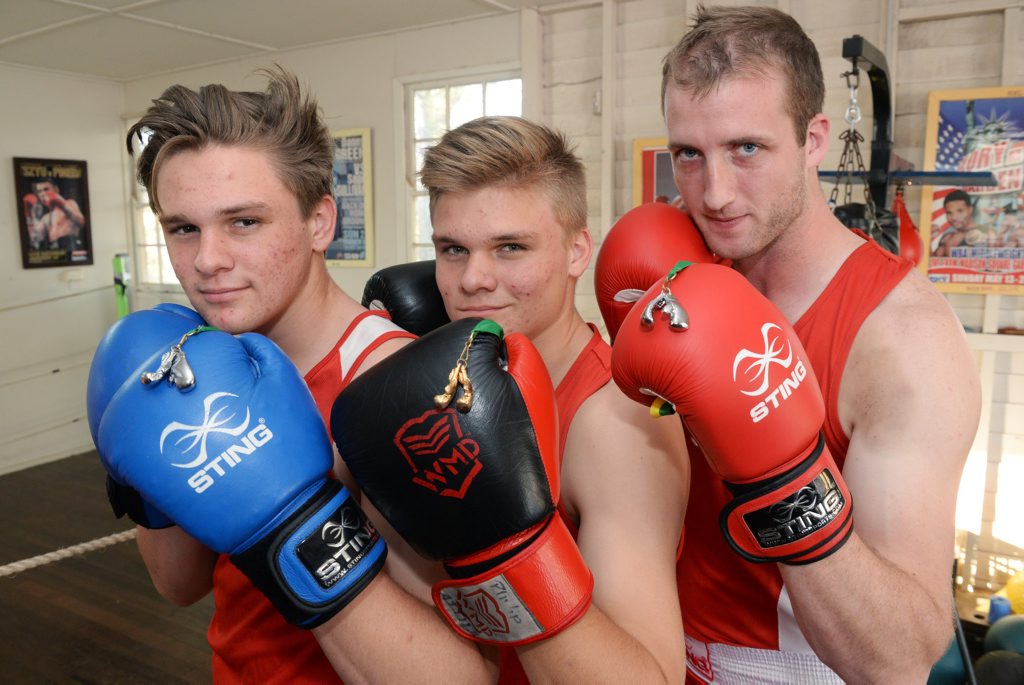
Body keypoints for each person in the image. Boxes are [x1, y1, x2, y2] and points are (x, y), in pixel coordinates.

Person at [603, 6, 980, 683]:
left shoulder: (902, 338)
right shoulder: (672, 276)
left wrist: (785, 476)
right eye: (689, 154)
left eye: (746, 147)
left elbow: (898, 658)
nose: (713, 194)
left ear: (813, 140)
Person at [114, 67, 504, 683]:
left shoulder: (391, 390)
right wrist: (142, 472)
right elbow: (178, 586)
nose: (208, 261)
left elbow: (460, 676)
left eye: (244, 221)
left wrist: (296, 527)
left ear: (320, 222)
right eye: (182, 228)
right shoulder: (195, 364)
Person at [413, 115, 690, 682]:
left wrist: (506, 554)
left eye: (510, 247)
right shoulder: (459, 376)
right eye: (453, 249)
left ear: (576, 251)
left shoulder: (614, 421)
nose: (473, 279)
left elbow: (649, 678)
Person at [22, 177, 86, 252]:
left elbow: (82, 222)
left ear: (56, 190)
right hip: (54, 251)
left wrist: (62, 205)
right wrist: (28, 213)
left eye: (46, 189)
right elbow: (36, 237)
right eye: (39, 191)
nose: (42, 194)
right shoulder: (46, 217)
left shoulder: (69, 204)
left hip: (71, 247)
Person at [933, 188, 998, 255]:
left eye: (960, 211)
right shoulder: (946, 238)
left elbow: (997, 262)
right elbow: (930, 263)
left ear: (970, 210)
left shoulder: (989, 233)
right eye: (949, 213)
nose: (954, 217)